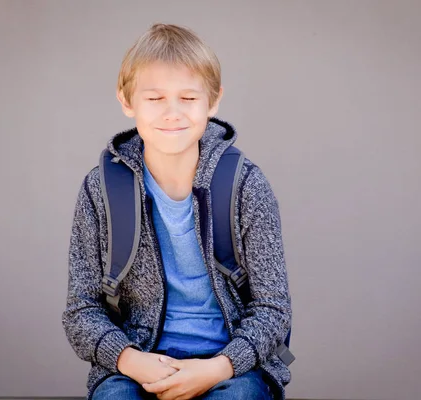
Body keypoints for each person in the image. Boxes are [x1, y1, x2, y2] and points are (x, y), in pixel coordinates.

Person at [62, 23, 292, 400]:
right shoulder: (101, 189)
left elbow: (273, 309)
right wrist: (130, 360)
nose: (172, 113)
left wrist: (218, 367)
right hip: (137, 363)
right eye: (154, 99)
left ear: (213, 101)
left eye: (188, 98)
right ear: (126, 100)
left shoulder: (244, 184)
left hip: (230, 365)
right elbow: (81, 310)